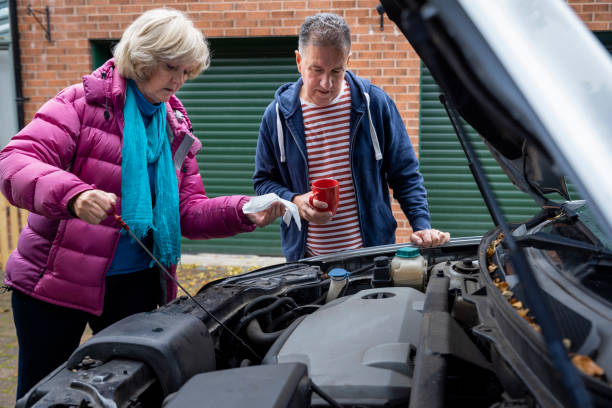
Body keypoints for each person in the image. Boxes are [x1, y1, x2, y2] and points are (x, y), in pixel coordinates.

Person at [0, 8, 284, 399]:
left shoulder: (174, 124)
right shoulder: (81, 104)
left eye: (187, 71)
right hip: (53, 283)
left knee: (137, 391)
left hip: (135, 283)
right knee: (41, 395)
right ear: (143, 57)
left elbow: (186, 210)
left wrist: (241, 210)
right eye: (171, 67)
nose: (180, 81)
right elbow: (14, 162)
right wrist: (74, 194)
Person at [253, 12, 450, 261]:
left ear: (348, 60)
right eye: (316, 70)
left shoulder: (374, 104)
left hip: (371, 257)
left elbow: (405, 174)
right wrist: (295, 200)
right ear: (299, 61)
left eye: (337, 71)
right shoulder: (278, 116)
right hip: (308, 261)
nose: (326, 83)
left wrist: (421, 226)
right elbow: (263, 181)